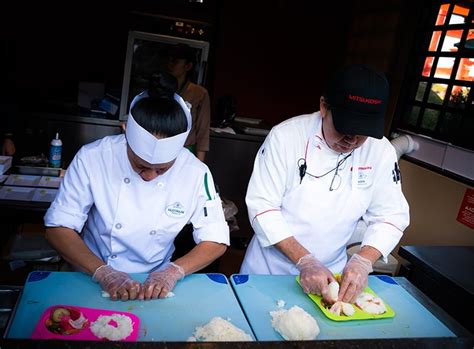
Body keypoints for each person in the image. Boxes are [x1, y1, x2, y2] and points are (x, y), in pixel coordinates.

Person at [44, 72, 229, 301]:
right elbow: (58, 228)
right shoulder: (93, 157)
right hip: (91, 274)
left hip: (156, 286)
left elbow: (216, 239)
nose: (150, 176)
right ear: (125, 131)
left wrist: (172, 272)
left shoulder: (195, 172)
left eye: (162, 170)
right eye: (140, 165)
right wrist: (104, 272)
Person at [240, 64, 409, 304]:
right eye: (344, 128)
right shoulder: (286, 136)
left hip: (333, 279)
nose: (351, 140)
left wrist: (363, 260)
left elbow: (391, 215)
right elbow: (262, 206)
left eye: (362, 133)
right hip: (269, 273)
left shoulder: (380, 151)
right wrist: (305, 260)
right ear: (323, 106)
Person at [167, 44, 210, 162]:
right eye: (169, 60)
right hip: (161, 149)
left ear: (188, 66)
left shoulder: (199, 93)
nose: (170, 64)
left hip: (185, 152)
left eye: (175, 61)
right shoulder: (161, 88)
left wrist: (199, 165)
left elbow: (203, 132)